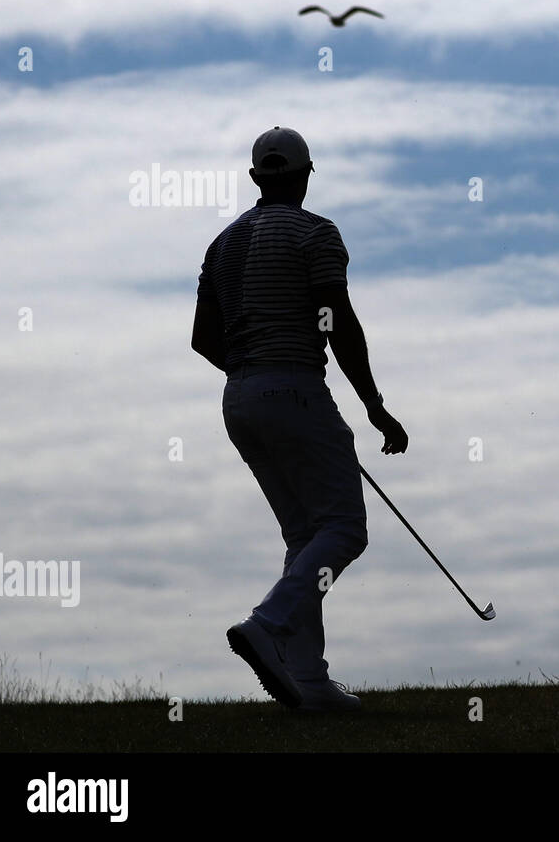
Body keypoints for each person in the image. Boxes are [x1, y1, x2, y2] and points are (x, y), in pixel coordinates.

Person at [191, 126, 408, 711]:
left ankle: (307, 680)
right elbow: (336, 320)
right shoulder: (317, 232)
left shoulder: (222, 243)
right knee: (343, 530)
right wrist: (373, 405)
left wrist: (253, 374)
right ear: (307, 175)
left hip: (239, 397)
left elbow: (201, 339)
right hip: (296, 389)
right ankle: (270, 622)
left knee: (305, 536)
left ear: (258, 177)